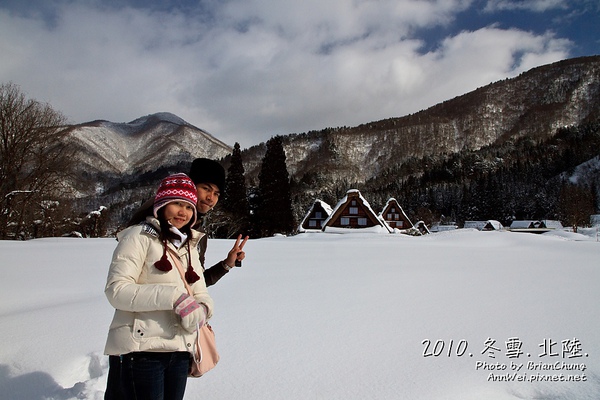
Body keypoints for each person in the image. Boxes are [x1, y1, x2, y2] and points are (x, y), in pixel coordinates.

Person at [104, 173, 214, 400]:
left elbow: (201, 292)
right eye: (176, 203)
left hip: (180, 350)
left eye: (188, 206)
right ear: (162, 204)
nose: (183, 212)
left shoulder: (189, 246)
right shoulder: (138, 236)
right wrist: (175, 298)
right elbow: (117, 290)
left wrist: (202, 310)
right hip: (143, 351)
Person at [126, 158, 248, 285]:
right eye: (206, 188)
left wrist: (226, 264)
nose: (210, 198)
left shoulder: (197, 234)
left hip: (181, 305)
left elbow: (196, 283)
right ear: (191, 186)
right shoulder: (146, 229)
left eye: (216, 194)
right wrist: (173, 297)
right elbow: (121, 290)